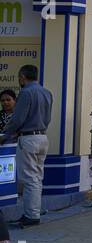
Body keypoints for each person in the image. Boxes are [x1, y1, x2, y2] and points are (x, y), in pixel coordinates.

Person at [1, 65, 53, 227]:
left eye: (19, 77)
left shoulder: (26, 93)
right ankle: (34, 212)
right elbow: (48, 117)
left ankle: (31, 215)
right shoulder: (47, 92)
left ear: (23, 77)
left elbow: (17, 119)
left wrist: (5, 135)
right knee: (37, 178)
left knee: (29, 179)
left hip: (28, 139)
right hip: (42, 137)